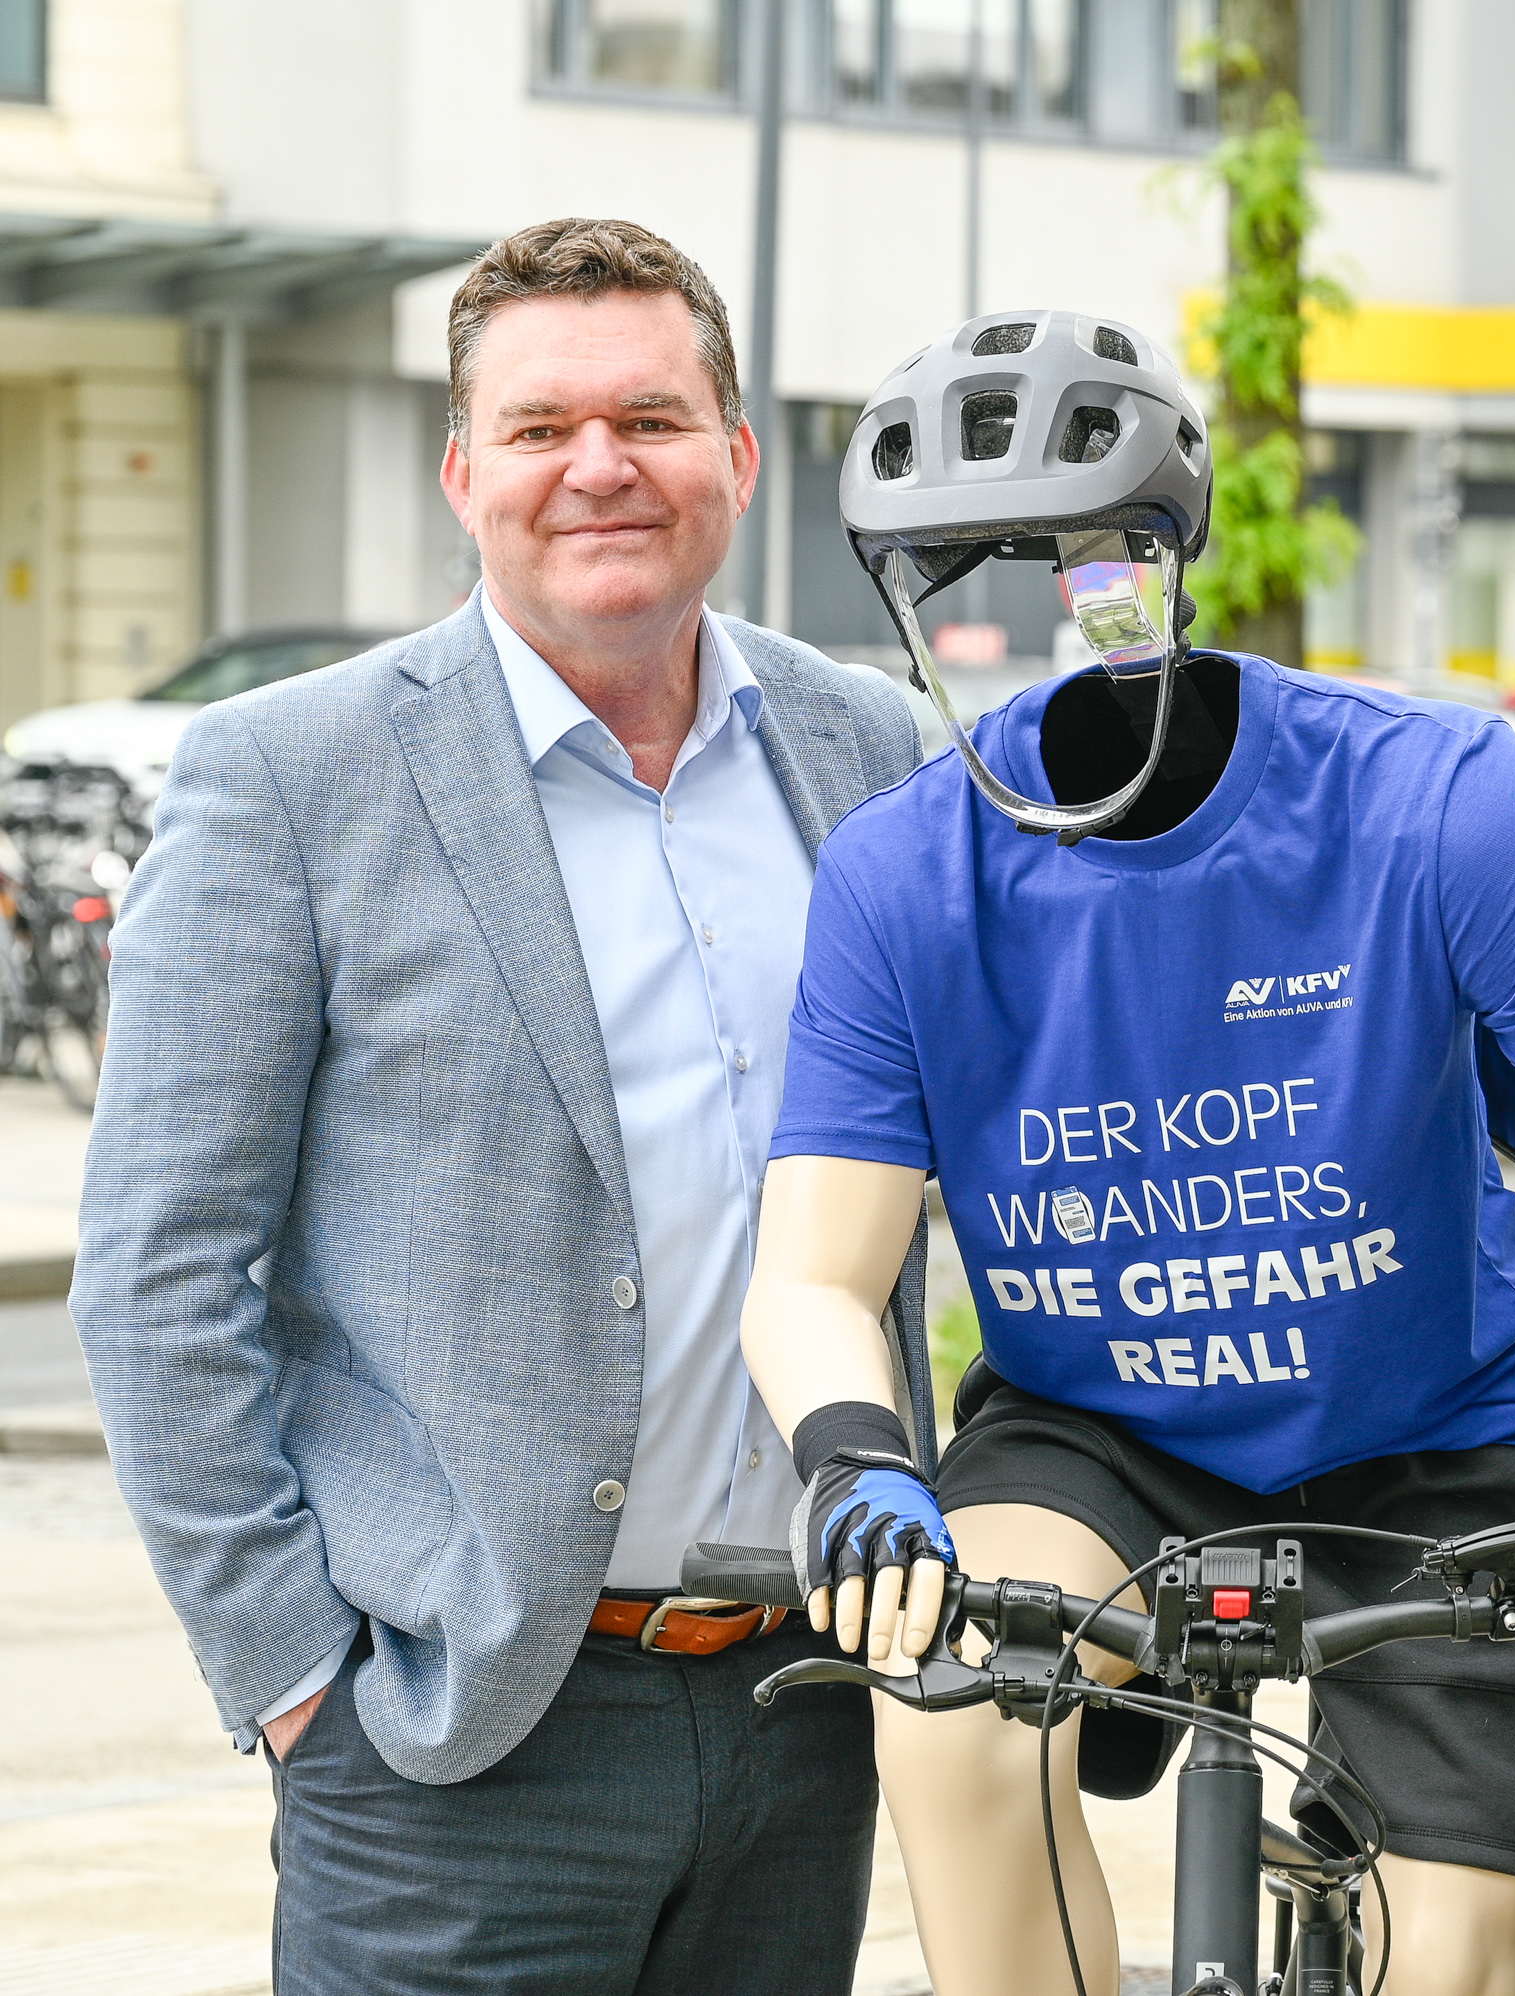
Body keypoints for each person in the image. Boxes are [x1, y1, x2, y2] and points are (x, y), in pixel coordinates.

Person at [734, 310, 1515, 1996]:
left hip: (1442, 1438)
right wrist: (855, 1466)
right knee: (952, 1713)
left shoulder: (1437, 797)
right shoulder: (902, 875)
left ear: (1165, 561)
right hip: (1102, 1432)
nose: (1062, 600)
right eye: (975, 574)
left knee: (1452, 1956)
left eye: (1094, 556)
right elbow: (814, 1276)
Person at [70, 217, 928, 1994]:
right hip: (458, 1741)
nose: (600, 465)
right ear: (464, 473)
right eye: (541, 428)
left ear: (737, 456)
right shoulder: (288, 779)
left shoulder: (861, 746)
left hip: (808, 1707)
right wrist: (299, 1680)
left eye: (652, 418)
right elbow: (158, 1276)